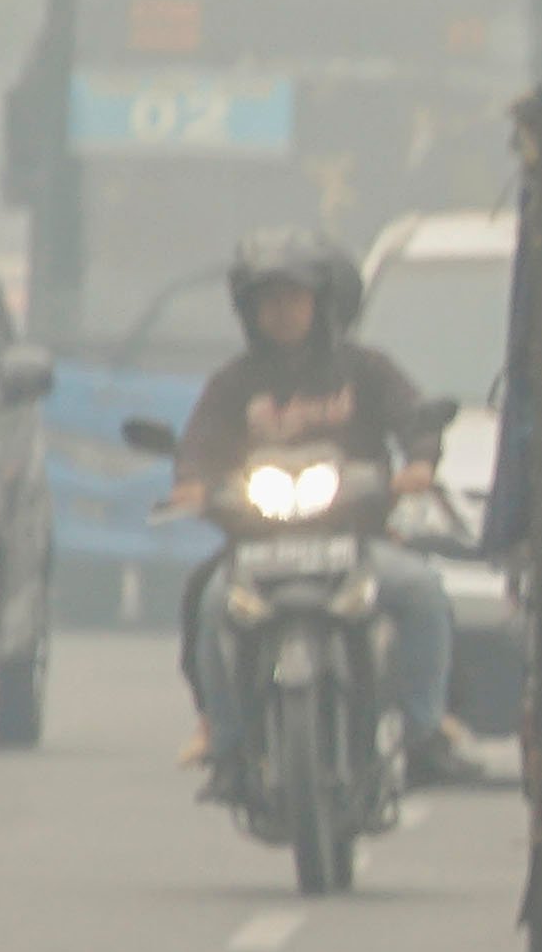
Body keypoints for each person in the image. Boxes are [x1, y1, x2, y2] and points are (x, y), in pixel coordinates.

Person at [167, 226, 479, 790]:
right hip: (256, 550)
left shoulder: (366, 370)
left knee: (424, 594)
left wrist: (420, 463)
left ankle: (425, 730)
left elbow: (413, 421)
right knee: (210, 605)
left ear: (323, 302)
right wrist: (191, 483)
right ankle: (228, 743)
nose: (282, 311)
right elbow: (199, 445)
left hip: (356, 544)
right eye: (269, 301)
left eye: (294, 297)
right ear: (249, 310)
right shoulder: (234, 383)